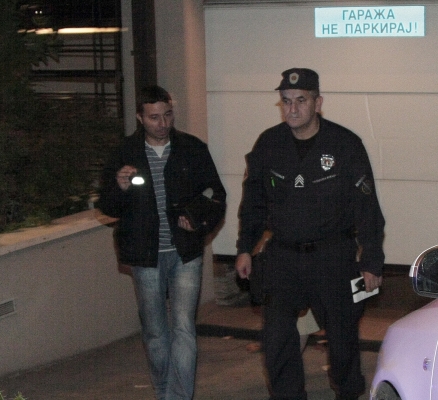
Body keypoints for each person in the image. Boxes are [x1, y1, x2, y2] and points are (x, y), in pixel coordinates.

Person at [235, 68, 386, 400]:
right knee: (277, 339)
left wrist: (372, 261)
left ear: (318, 103)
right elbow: (254, 202)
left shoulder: (345, 145)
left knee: (343, 340)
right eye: (286, 101)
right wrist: (245, 247)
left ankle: (348, 391)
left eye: (300, 100)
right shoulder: (268, 144)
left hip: (333, 257)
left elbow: (367, 208)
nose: (292, 109)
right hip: (283, 256)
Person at [96, 85, 226, 400]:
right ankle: (165, 393)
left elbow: (216, 195)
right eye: (154, 117)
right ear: (140, 117)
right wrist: (119, 187)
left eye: (167, 115)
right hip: (145, 257)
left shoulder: (191, 148)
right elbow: (107, 207)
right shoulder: (125, 153)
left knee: (183, 328)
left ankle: (179, 396)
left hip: (185, 253)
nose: (162, 123)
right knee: (155, 332)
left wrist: (196, 219)